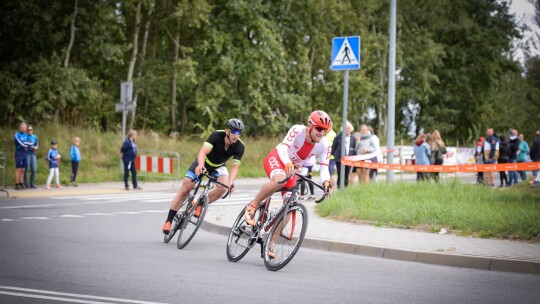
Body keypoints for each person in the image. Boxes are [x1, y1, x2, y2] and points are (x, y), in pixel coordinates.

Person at [244, 111, 333, 231]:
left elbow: (324, 168)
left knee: (290, 205)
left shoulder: (325, 144)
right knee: (279, 180)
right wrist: (287, 163)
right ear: (310, 126)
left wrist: (326, 182)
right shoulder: (297, 130)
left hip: (291, 169)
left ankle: (269, 244)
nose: (322, 133)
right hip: (278, 158)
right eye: (319, 128)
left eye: (325, 130)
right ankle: (252, 207)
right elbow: (282, 148)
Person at [162, 118, 245, 234]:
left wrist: (231, 182)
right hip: (203, 162)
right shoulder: (216, 135)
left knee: (223, 187)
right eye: (235, 132)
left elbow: (235, 167)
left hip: (218, 166)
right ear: (227, 131)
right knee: (185, 189)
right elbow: (202, 152)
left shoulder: (240, 146)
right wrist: (200, 165)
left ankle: (200, 204)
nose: (237, 135)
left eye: (239, 133)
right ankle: (169, 221)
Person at [331, 121, 356, 189]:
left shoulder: (353, 138)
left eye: (348, 128)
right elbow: (333, 148)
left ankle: (345, 189)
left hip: (349, 160)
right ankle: (340, 189)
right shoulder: (338, 137)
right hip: (340, 160)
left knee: (346, 175)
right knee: (340, 175)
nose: (347, 130)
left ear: (351, 129)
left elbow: (354, 148)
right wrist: (336, 156)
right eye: (346, 128)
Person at [14, 122, 29, 190]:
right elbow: (21, 143)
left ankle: (21, 183)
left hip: (25, 154)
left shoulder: (26, 135)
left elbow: (29, 143)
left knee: (23, 170)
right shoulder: (17, 135)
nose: (24, 129)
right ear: (20, 128)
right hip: (19, 153)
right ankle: (17, 185)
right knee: (18, 169)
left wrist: (28, 144)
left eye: (25, 128)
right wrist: (27, 144)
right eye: (22, 128)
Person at [24, 124, 38, 189]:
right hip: (26, 153)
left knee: (34, 169)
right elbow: (24, 144)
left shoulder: (34, 137)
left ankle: (32, 183)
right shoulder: (25, 136)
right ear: (26, 130)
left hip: (33, 153)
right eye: (28, 130)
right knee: (27, 169)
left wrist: (35, 147)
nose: (29, 131)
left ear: (32, 130)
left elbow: (37, 145)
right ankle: (27, 184)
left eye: (31, 130)